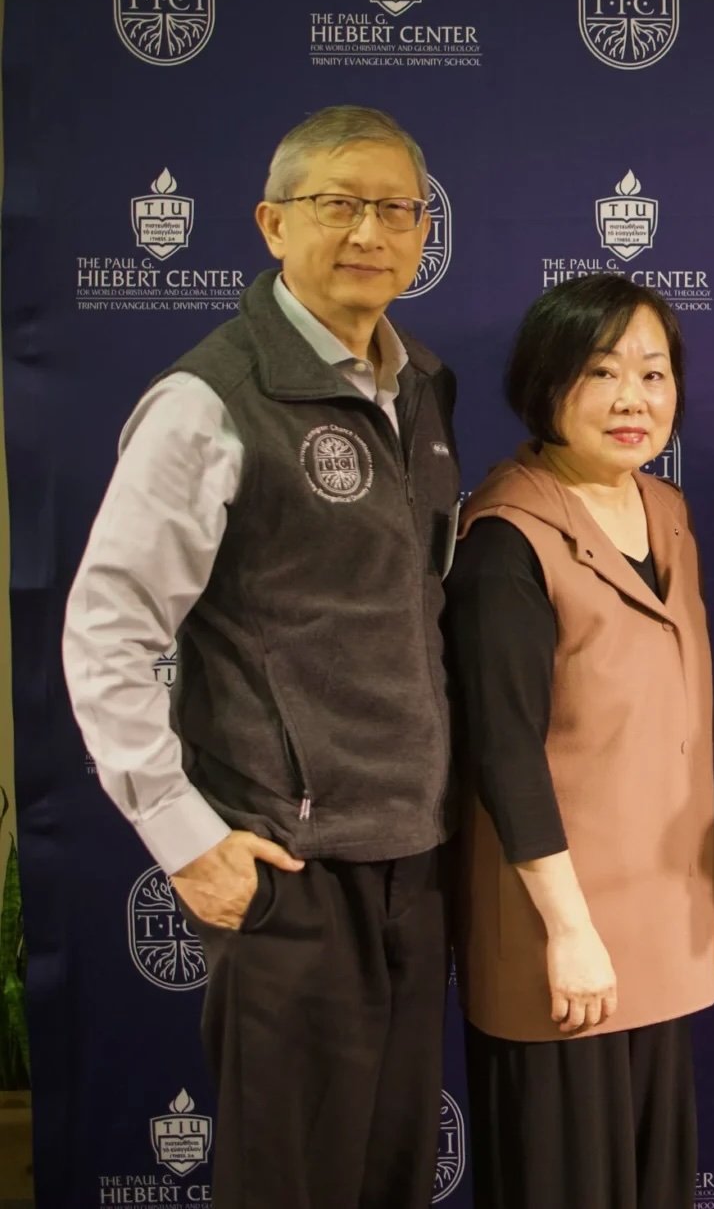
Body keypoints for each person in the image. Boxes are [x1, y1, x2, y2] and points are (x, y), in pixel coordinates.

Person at [62, 105, 458, 1207]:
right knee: (291, 1183)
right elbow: (108, 629)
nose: (369, 231)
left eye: (395, 208)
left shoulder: (419, 384)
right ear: (272, 223)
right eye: (339, 205)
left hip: (410, 859)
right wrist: (187, 840)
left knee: (390, 1176)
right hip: (287, 867)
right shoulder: (210, 400)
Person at [443, 274, 714, 1208]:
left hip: (658, 925)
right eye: (602, 373)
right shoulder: (506, 536)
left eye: (653, 372)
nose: (634, 399)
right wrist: (568, 932)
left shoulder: (666, 511)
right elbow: (503, 751)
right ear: (546, 382)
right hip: (564, 933)